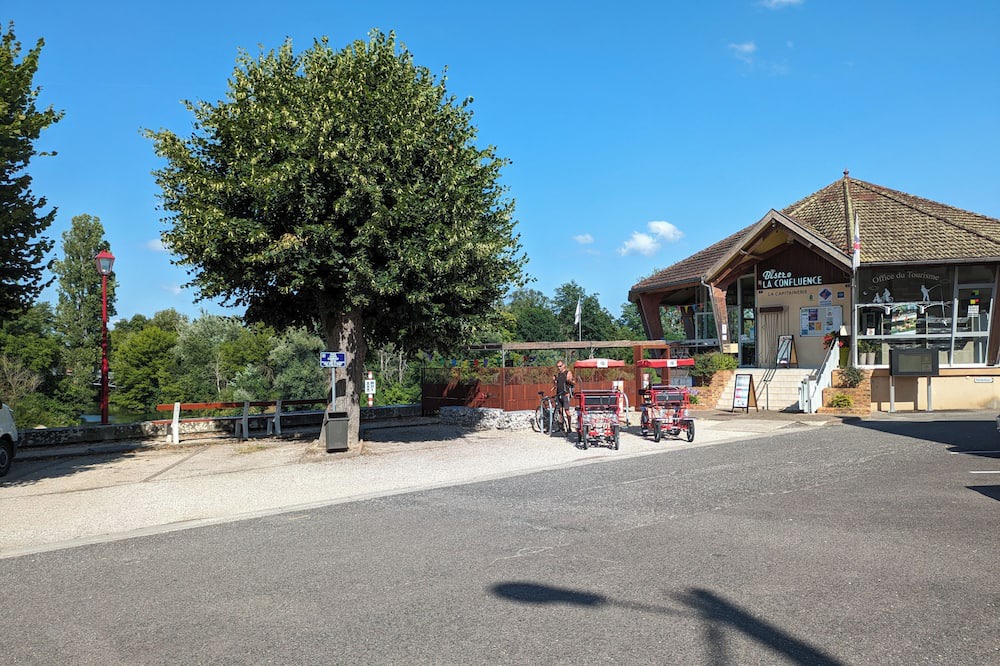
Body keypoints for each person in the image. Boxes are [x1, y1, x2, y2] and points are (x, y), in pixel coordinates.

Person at [552, 361, 575, 432]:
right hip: (559, 394)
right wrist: (554, 382)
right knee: (560, 411)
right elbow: (557, 384)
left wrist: (569, 380)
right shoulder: (558, 374)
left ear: (564, 365)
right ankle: (561, 426)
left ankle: (569, 427)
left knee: (567, 411)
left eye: (560, 366)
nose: (559, 368)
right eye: (558, 366)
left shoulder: (568, 372)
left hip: (565, 394)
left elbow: (573, 382)